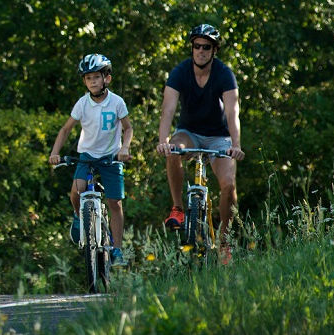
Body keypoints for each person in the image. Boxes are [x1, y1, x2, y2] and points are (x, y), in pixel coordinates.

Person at [155, 23, 245, 263]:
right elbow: (168, 109)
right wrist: (163, 140)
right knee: (174, 150)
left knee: (228, 184)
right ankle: (177, 209)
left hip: (218, 137)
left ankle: (225, 241)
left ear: (214, 50)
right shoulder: (180, 71)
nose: (201, 51)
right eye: (197, 46)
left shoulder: (224, 74)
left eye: (206, 47)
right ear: (192, 48)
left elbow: (232, 112)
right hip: (189, 133)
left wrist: (235, 145)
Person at [49, 54, 134, 267]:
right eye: (88, 78)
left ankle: (117, 249)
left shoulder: (117, 102)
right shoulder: (82, 104)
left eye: (96, 77)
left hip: (110, 156)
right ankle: (79, 216)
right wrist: (54, 152)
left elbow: (128, 127)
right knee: (76, 192)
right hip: (87, 155)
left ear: (107, 78)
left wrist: (125, 147)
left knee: (115, 202)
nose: (92, 82)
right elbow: (66, 129)